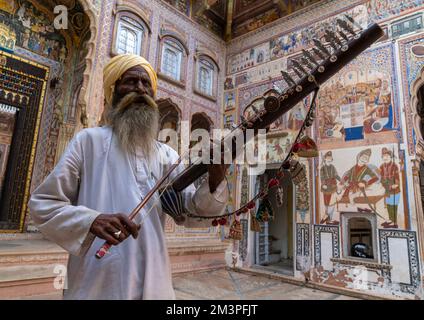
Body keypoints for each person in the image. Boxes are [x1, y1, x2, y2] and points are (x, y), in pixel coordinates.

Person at [28, 54, 229, 300]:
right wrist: (92, 221)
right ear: (113, 91)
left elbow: (188, 212)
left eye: (146, 85)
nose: (141, 90)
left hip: (154, 277)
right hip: (97, 280)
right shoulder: (88, 142)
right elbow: (43, 204)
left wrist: (216, 178)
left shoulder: (166, 154)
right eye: (131, 82)